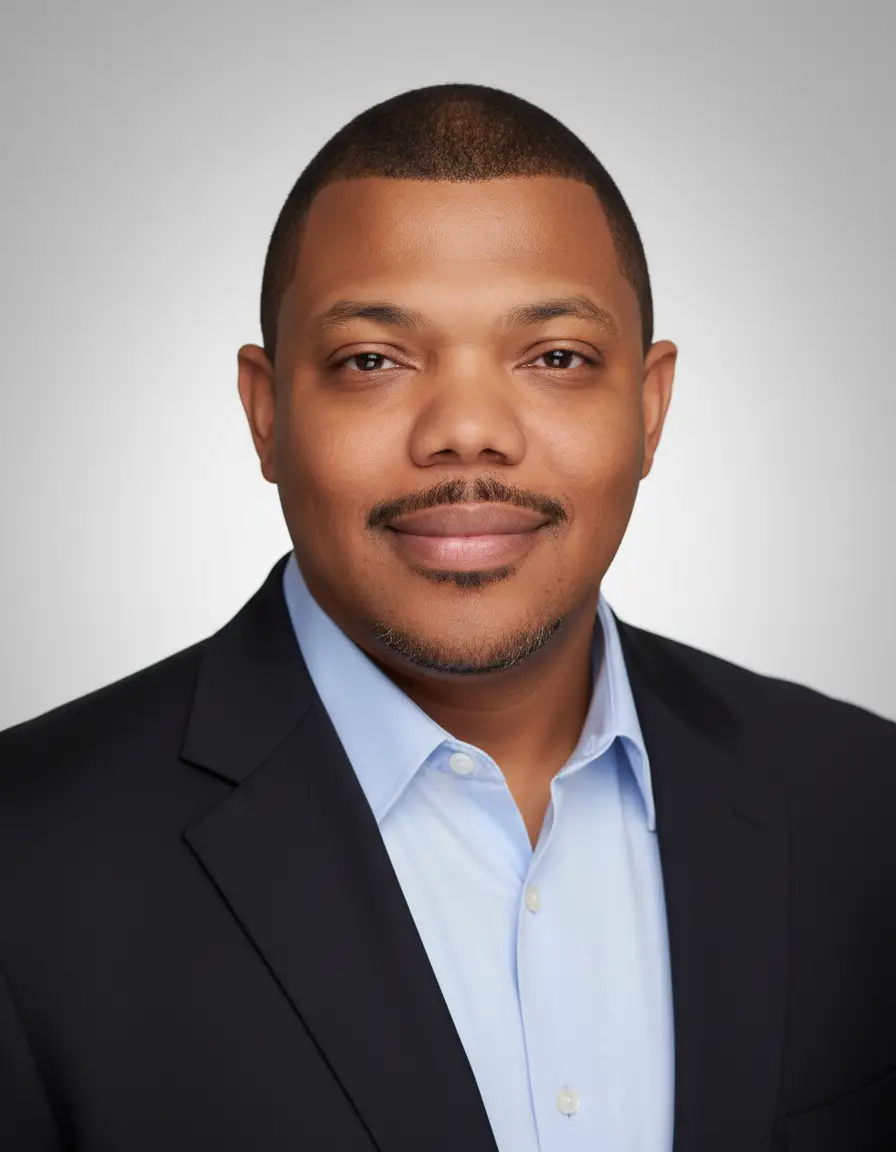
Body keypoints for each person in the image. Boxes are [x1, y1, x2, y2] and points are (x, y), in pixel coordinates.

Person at [0, 82, 893, 1152]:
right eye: (373, 360)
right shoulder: (28, 860)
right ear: (267, 412)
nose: (467, 431)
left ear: (649, 409)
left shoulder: (861, 802)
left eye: (554, 357)